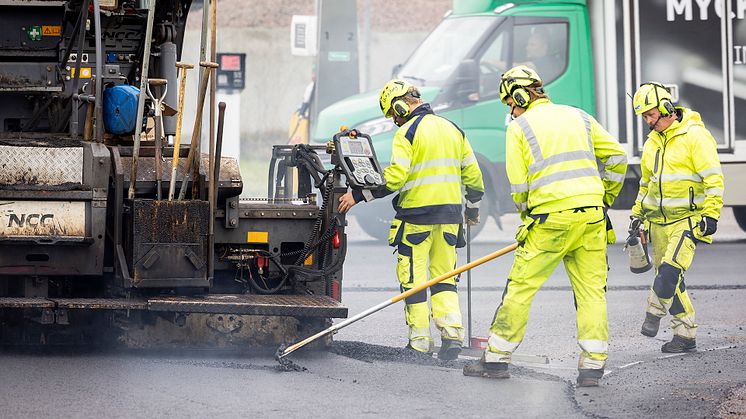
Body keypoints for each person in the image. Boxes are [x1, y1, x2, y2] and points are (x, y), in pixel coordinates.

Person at [462, 65, 627, 387]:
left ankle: (496, 359)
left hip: (550, 220)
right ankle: (592, 367)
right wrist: (604, 197)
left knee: (521, 288)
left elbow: (519, 186)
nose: (510, 109)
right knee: (592, 292)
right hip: (592, 216)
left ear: (519, 95)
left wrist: (527, 216)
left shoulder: (519, 127)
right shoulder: (579, 116)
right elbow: (618, 157)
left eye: (510, 103)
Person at [338, 79, 485, 360]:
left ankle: (419, 342)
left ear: (401, 105)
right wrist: (473, 210)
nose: (394, 120)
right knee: (445, 279)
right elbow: (474, 177)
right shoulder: (454, 129)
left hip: (417, 218)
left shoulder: (407, 132)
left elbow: (396, 177)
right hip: (451, 219)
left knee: (414, 280)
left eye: (393, 114)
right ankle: (452, 335)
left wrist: (359, 195)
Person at [631, 82, 724, 353]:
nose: (648, 121)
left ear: (667, 108)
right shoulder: (652, 143)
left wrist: (712, 213)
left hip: (688, 220)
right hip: (658, 222)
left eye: (651, 115)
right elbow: (646, 184)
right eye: (644, 117)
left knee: (670, 271)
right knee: (673, 280)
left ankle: (652, 313)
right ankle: (685, 335)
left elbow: (714, 180)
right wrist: (637, 215)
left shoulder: (695, 136)